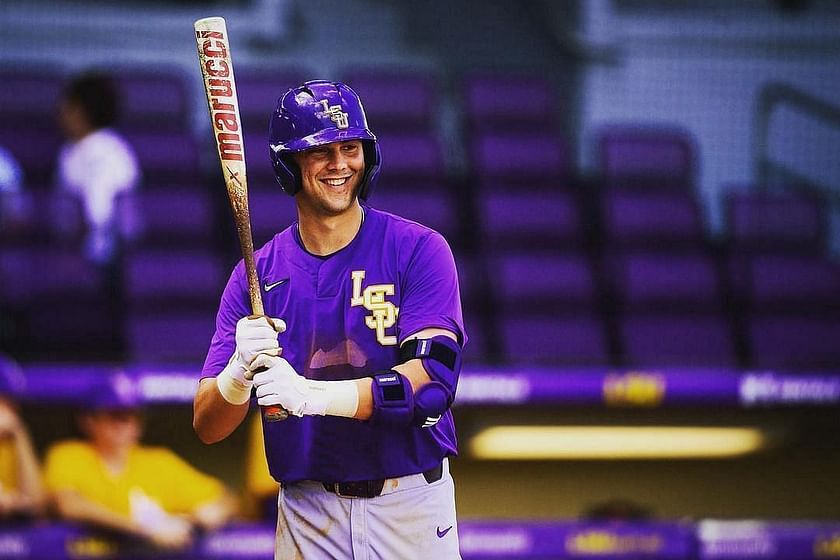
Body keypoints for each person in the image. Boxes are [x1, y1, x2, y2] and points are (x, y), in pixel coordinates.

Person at [194, 80, 467, 559]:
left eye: (350, 147)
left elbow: (431, 387)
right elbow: (208, 426)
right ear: (288, 164)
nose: (340, 164)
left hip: (409, 505)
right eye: (320, 151)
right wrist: (237, 376)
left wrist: (313, 395)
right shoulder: (255, 276)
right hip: (307, 513)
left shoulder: (418, 249)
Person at [44, 372, 238, 551]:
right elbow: (69, 505)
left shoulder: (158, 462)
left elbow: (226, 498)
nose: (125, 425)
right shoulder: (68, 455)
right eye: (115, 416)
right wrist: (146, 529)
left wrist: (202, 517)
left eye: (131, 416)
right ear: (89, 420)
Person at [56, 71, 140, 264]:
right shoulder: (71, 150)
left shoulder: (107, 153)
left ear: (80, 111)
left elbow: (99, 217)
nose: (60, 113)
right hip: (74, 252)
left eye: (67, 106)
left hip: (105, 260)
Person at [0, 354, 46, 519]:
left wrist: (20, 434)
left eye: (13, 401)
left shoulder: (11, 438)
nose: (13, 408)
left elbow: (36, 504)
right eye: (4, 400)